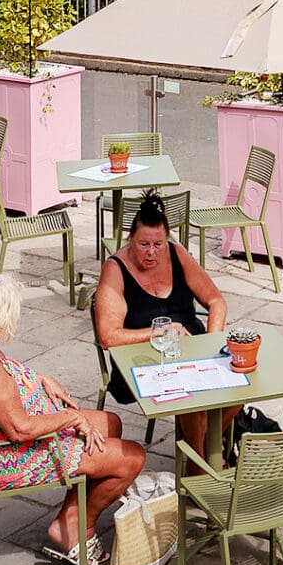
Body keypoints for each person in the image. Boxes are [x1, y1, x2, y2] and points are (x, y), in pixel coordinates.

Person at [0, 273, 144, 565]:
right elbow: (19, 429)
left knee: (110, 423)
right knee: (132, 457)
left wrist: (39, 379)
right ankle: (79, 531)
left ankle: (68, 521)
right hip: (3, 456)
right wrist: (71, 417)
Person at [92, 194, 228, 461]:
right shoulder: (115, 269)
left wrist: (211, 343)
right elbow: (108, 337)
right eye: (143, 244)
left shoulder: (177, 254)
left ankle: (199, 450)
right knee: (193, 397)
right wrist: (159, 333)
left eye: (158, 244)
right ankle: (200, 464)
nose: (151, 252)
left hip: (191, 347)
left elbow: (216, 301)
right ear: (130, 239)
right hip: (142, 359)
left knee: (236, 392)